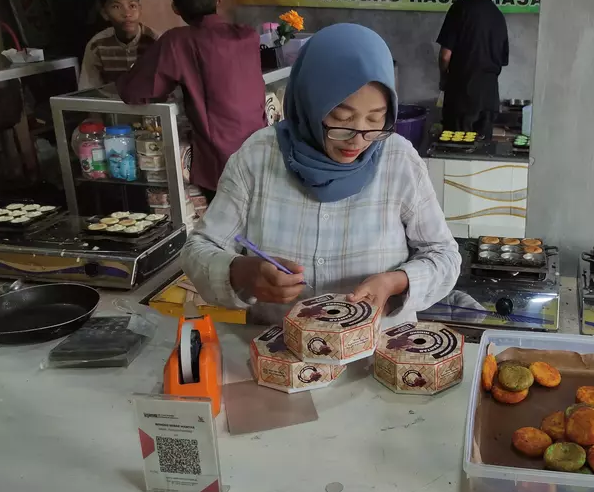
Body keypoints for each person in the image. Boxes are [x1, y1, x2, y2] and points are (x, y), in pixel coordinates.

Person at [182, 24, 460, 326]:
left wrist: (396, 282)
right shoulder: (258, 157)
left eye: (375, 120)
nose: (358, 139)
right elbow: (199, 249)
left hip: (379, 356)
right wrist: (243, 272)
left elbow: (444, 255)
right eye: (342, 119)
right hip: (281, 356)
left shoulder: (398, 159)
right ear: (309, 102)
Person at [117, 0, 265, 202]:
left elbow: (135, 92)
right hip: (260, 151)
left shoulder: (179, 41)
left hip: (221, 162)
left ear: (175, 7)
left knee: (224, 230)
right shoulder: (247, 35)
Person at [437, 0, 509, 140]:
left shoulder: (460, 9)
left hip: (461, 99)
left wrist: (444, 77)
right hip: (489, 100)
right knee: (481, 156)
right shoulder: (499, 17)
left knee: (457, 153)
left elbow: (445, 55)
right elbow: (502, 60)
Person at [78, 0, 158, 90]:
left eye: (132, 6)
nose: (127, 14)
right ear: (104, 13)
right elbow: (88, 89)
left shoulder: (156, 41)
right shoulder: (96, 45)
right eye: (116, 6)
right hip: (111, 105)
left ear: (140, 10)